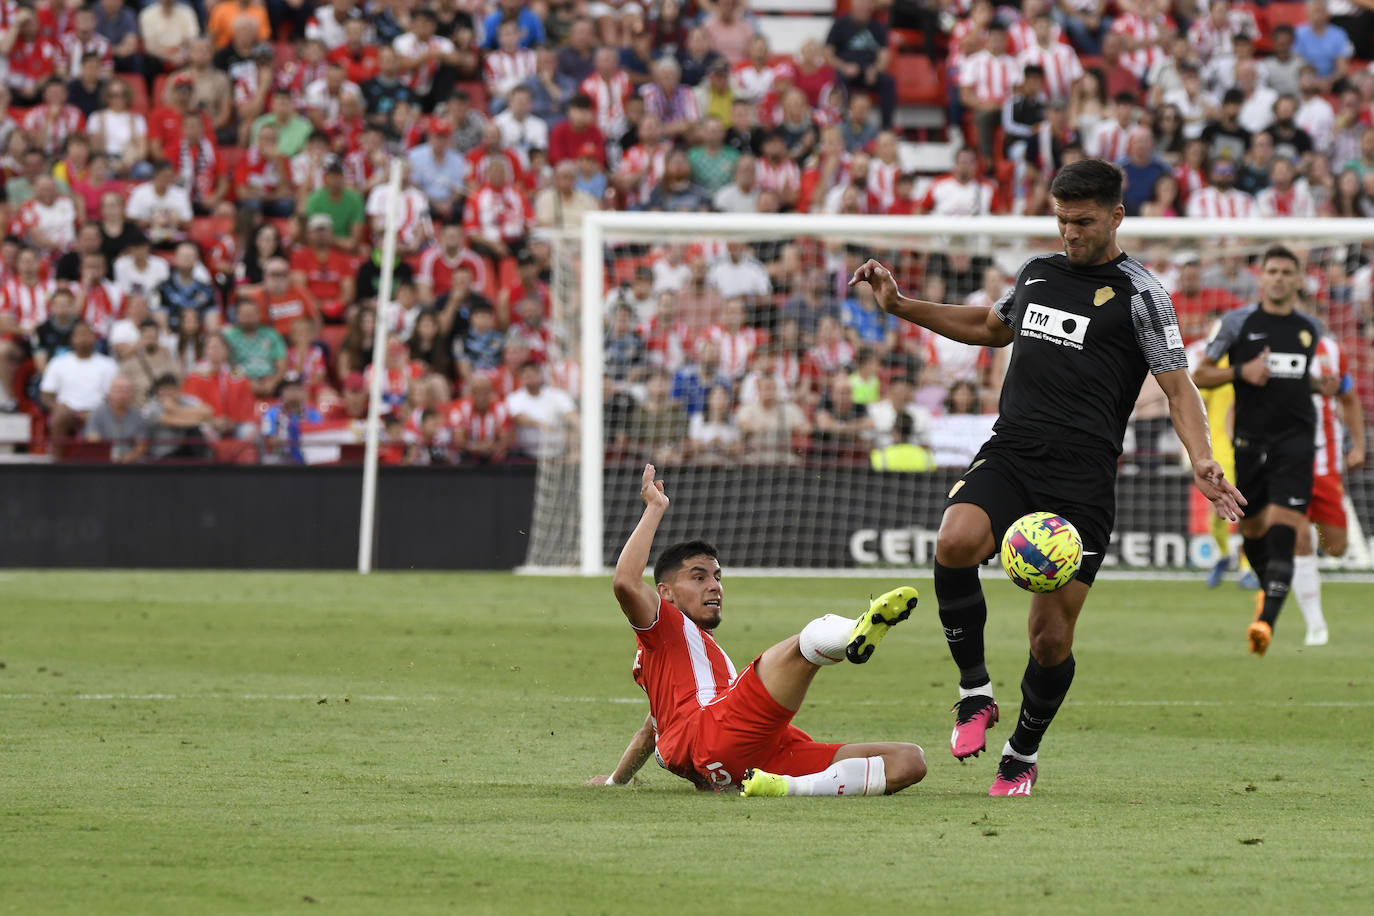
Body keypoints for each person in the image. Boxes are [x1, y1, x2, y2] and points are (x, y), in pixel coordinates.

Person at [849, 158, 1244, 796]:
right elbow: (989, 327)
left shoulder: (1142, 293)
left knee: (1050, 634)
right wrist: (899, 306)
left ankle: (1021, 754)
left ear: (1116, 216)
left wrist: (1200, 457)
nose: (1070, 233)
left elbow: (1178, 387)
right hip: (1014, 451)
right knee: (953, 542)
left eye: (1083, 221)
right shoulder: (1036, 272)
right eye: (1062, 220)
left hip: (1083, 478)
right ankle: (975, 692)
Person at [590, 463, 925, 796]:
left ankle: (785, 787)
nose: (714, 586)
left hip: (745, 762)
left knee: (908, 761)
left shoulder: (675, 665)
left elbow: (653, 730)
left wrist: (614, 781)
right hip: (713, 730)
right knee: (800, 650)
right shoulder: (666, 625)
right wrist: (655, 508)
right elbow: (626, 583)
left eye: (717, 577)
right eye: (698, 576)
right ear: (666, 594)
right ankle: (854, 631)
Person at [1192, 246, 1331, 656]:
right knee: (1252, 531)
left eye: (1288, 272)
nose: (1279, 278)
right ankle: (1269, 589)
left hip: (1297, 443)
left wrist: (1321, 385)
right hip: (1250, 444)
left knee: (1286, 526)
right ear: (1262, 277)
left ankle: (1265, 622)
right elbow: (1200, 374)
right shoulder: (1238, 323)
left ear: (1298, 279)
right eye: (1272, 271)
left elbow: (1300, 379)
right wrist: (1241, 372)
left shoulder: (1310, 328)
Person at [1289, 334, 1366, 646]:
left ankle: (1300, 562)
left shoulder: (1332, 350)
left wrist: (1360, 444)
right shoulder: (1273, 343)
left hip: (1326, 463)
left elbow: (1348, 398)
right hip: (1286, 463)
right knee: (1299, 538)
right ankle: (1315, 624)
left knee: (1336, 546)